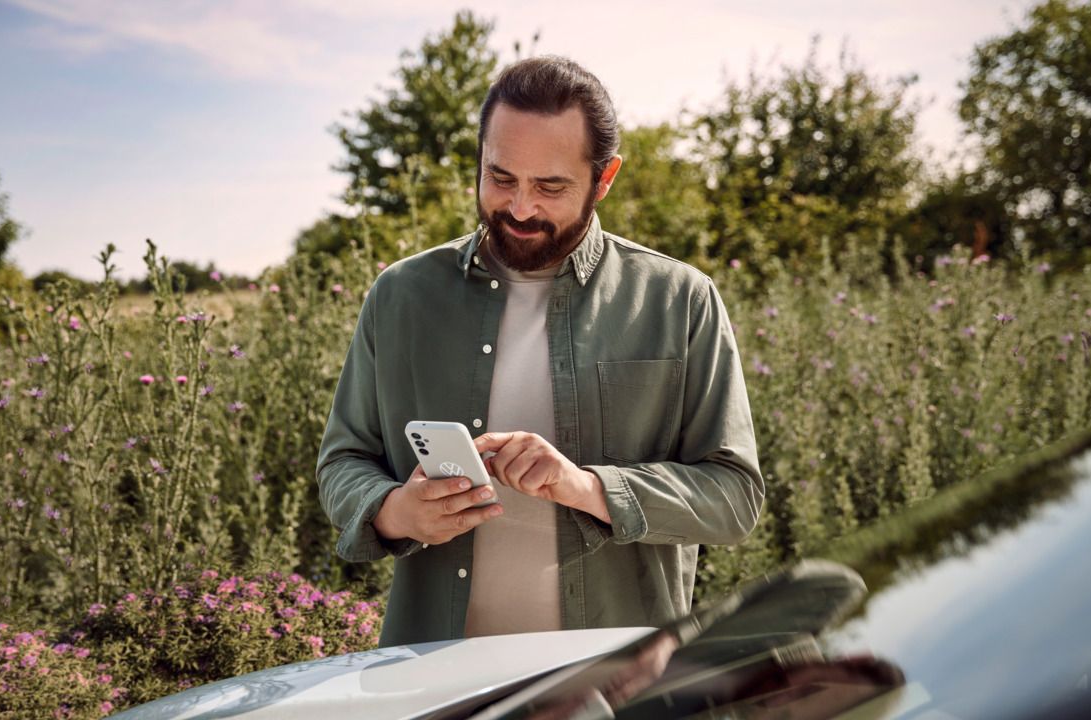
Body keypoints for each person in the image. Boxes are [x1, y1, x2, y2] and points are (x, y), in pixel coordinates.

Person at [317, 55, 763, 648]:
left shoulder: (680, 300)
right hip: (433, 676)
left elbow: (734, 496)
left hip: (613, 680)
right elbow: (343, 461)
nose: (521, 207)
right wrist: (396, 511)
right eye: (501, 178)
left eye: (550, 186)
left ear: (604, 180)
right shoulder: (401, 295)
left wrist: (587, 487)